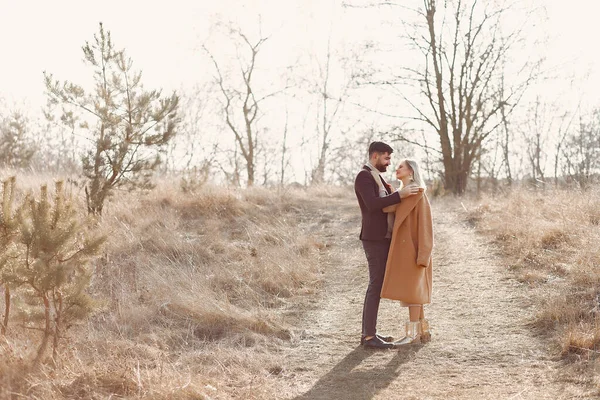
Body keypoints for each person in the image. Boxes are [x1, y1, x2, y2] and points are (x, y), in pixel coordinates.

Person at [354, 142, 421, 349]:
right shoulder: (364, 176)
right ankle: (367, 337)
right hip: (373, 239)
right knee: (375, 285)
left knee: (378, 285)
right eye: (386, 158)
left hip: (383, 239)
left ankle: (370, 332)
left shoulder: (378, 177)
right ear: (375, 156)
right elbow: (372, 204)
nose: (389, 162)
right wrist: (400, 195)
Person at [380, 158, 433, 345]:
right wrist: (396, 193)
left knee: (413, 293)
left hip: (414, 251)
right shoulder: (402, 194)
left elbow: (425, 227)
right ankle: (423, 331)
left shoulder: (419, 194)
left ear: (411, 171)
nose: (397, 168)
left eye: (401, 166)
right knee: (412, 292)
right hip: (404, 251)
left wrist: (423, 255)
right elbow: (385, 207)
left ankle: (412, 335)